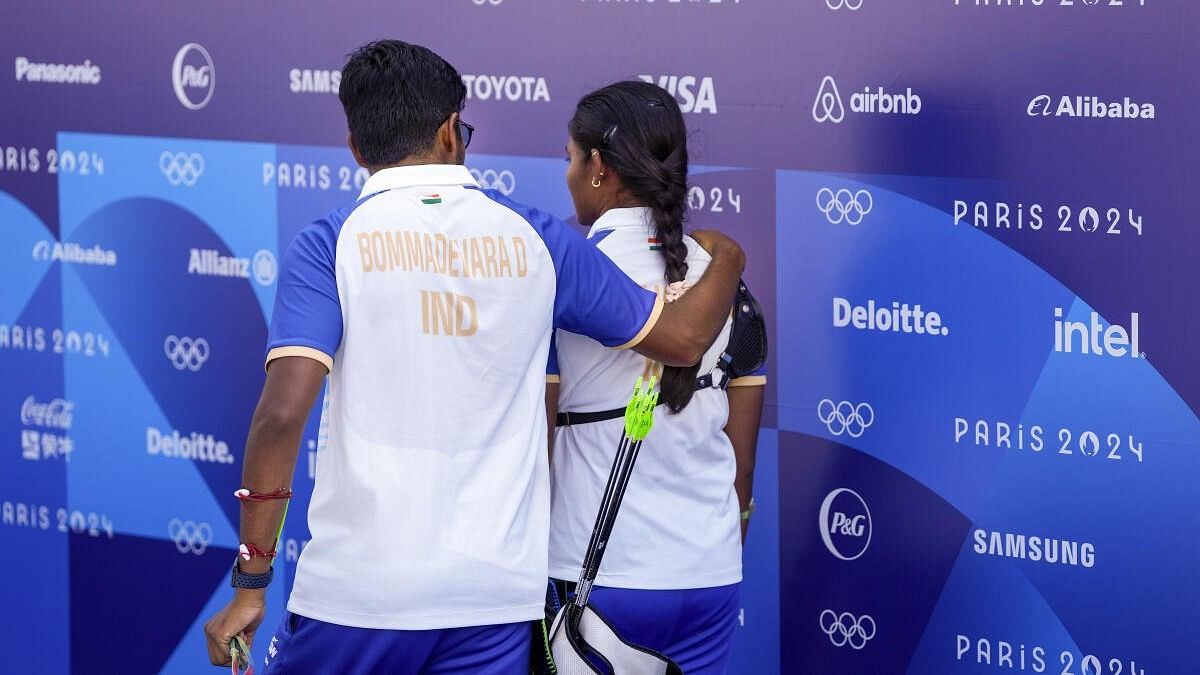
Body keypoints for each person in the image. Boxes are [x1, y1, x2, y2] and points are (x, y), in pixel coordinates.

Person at [201, 41, 746, 674]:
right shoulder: (537, 237)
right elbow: (682, 340)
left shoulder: (330, 242)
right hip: (495, 603)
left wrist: (252, 579)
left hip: (361, 596)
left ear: (355, 146)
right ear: (451, 133)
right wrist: (729, 255)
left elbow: (281, 416)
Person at [545, 80, 767, 674]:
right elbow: (742, 463)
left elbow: (533, 440)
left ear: (598, 168)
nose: (567, 174)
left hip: (601, 575)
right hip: (709, 573)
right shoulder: (726, 281)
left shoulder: (567, 272)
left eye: (570, 158)